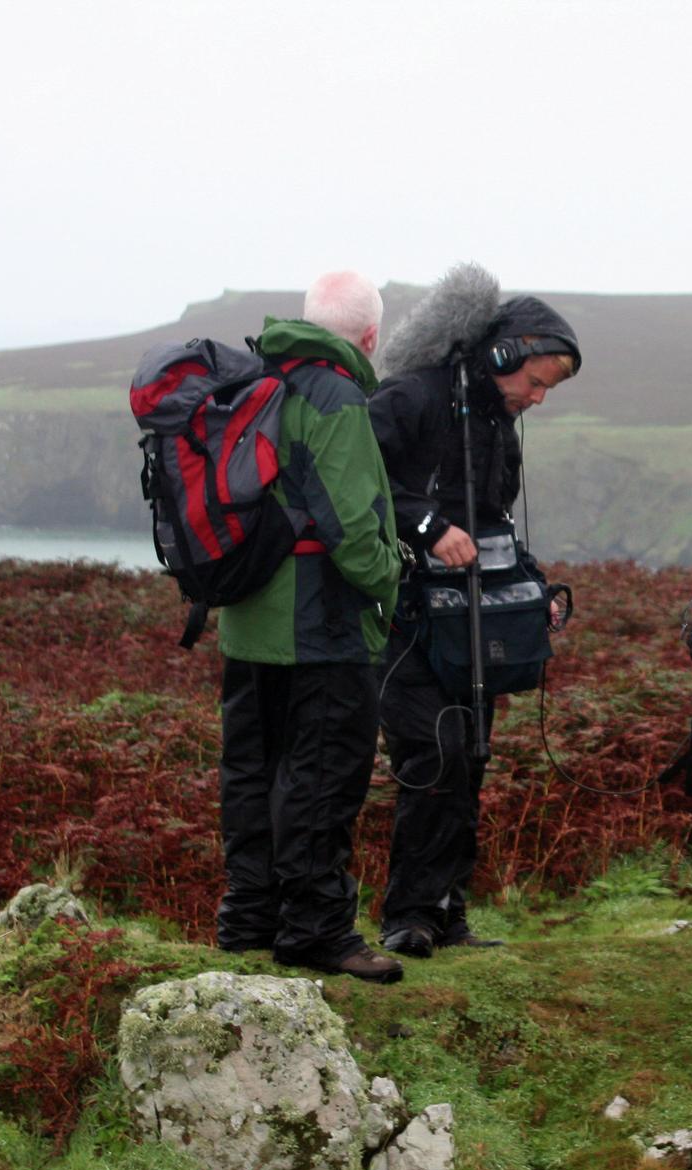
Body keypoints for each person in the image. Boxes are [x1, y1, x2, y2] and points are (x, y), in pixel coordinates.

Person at [370, 287, 581, 958]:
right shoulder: (414, 396)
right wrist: (426, 525)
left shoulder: (495, 423)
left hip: (466, 628)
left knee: (471, 760)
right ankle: (408, 916)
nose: (538, 398)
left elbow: (493, 526)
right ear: (502, 353)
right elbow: (350, 473)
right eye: (536, 382)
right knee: (436, 756)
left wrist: (531, 588)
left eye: (548, 390)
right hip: (400, 618)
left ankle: (445, 914)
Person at [216, 270, 405, 983]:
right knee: (322, 775)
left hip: (245, 619)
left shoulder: (255, 383)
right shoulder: (335, 396)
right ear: (368, 336)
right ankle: (317, 930)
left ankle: (248, 919)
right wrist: (393, 580)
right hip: (319, 625)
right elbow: (353, 527)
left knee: (252, 771)